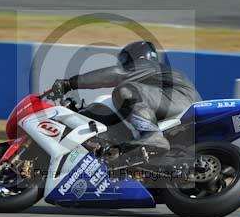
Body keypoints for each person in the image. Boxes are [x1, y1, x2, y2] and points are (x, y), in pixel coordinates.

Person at [52, 41, 202, 154]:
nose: (124, 64)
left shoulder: (147, 66)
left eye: (124, 59)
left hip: (182, 102)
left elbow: (117, 74)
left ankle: (151, 135)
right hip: (178, 107)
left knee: (125, 90)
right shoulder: (154, 77)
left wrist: (69, 83)